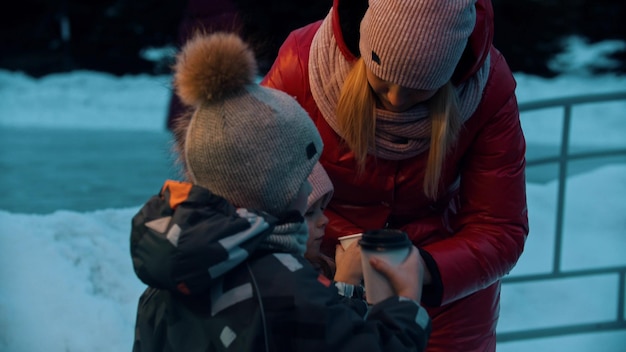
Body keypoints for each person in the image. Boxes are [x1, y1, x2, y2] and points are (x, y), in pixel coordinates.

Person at [130, 32, 431, 351]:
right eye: (302, 180)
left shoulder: (164, 280)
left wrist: (340, 290)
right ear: (276, 190)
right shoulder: (282, 286)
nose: (307, 191)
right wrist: (405, 305)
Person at [260, 0, 529, 350]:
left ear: (450, 74)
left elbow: (499, 227)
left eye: (420, 89)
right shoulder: (303, 62)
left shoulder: (487, 88)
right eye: (382, 81)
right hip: (320, 277)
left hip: (440, 296)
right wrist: (315, 239)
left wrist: (424, 270)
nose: (397, 100)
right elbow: (252, 175)